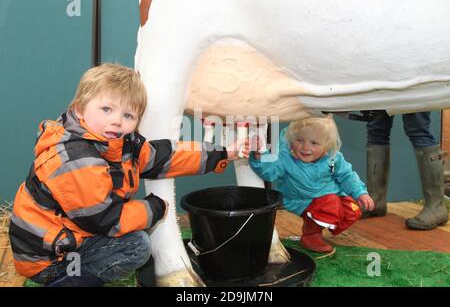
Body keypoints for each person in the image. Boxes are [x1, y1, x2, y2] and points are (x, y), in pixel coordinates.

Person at [9, 63, 248, 287]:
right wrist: (155, 209)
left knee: (136, 230)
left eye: (128, 116)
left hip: (70, 237)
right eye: (106, 109)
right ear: (80, 108)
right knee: (136, 246)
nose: (116, 121)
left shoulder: (119, 144)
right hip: (47, 257)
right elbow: (107, 220)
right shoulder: (76, 158)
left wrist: (225, 152)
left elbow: (167, 156)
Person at [249, 115, 374, 253]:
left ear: (327, 145)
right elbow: (269, 172)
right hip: (300, 200)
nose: (305, 147)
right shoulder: (286, 158)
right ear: (292, 140)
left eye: (314, 143)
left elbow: (347, 175)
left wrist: (361, 193)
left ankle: (321, 225)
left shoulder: (333, 158)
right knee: (330, 204)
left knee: (352, 209)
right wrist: (259, 157)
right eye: (300, 140)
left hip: (328, 197)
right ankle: (311, 236)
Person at [364, 112, 448, 230]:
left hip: (415, 92)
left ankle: (436, 206)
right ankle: (375, 200)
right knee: (376, 127)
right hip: (384, 92)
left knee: (418, 128)